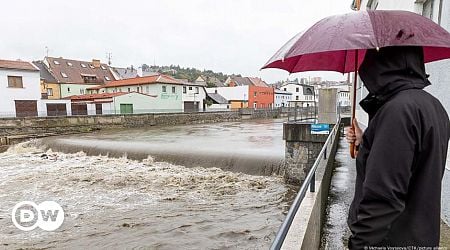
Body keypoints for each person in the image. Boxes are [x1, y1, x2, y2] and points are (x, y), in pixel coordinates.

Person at [346, 46, 450, 249]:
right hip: (421, 235)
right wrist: (366, 141)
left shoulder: (397, 111)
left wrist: (359, 243)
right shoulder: (433, 105)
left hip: (391, 239)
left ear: (381, 66)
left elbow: (384, 196)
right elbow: (411, 160)